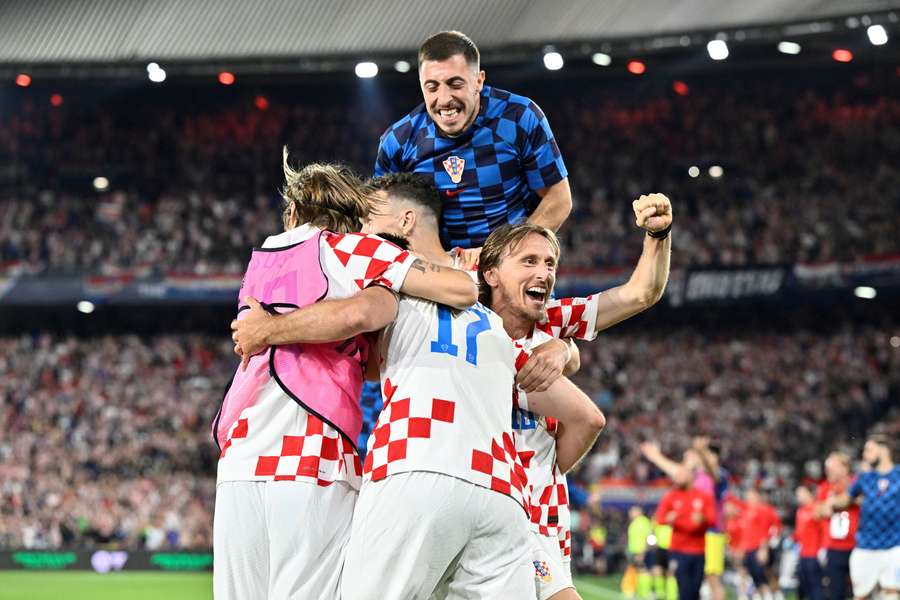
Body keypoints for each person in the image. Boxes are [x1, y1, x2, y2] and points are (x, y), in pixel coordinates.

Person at [215, 151, 477, 600]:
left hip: (239, 462)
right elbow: (461, 289)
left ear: (292, 211)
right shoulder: (351, 248)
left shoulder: (259, 263)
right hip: (313, 462)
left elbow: (262, 335)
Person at [375, 30, 572, 255]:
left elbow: (558, 199)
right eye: (432, 87)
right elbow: (382, 219)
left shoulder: (519, 117)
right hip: (440, 273)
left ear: (479, 81)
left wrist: (503, 255)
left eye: (455, 84)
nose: (444, 98)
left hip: (511, 266)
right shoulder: (398, 141)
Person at [829, 434, 900, 600]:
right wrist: (831, 503)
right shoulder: (864, 478)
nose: (864, 455)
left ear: (883, 450)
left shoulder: (898, 474)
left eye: (869, 449)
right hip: (865, 547)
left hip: (894, 547)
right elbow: (846, 498)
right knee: (861, 595)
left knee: (891, 594)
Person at [655, 460, 717, 600]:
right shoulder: (671, 496)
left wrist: (702, 520)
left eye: (681, 474)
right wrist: (668, 519)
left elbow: (712, 520)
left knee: (695, 589)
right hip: (678, 550)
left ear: (691, 476)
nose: (677, 477)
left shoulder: (703, 497)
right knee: (684, 588)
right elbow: (660, 519)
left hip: (699, 551)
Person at [815, 452, 859, 600]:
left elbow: (859, 500)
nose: (827, 470)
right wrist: (832, 503)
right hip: (834, 546)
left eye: (831, 467)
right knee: (836, 592)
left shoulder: (856, 482)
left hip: (857, 545)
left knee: (860, 591)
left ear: (844, 468)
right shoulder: (825, 487)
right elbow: (819, 512)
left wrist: (833, 502)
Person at [737, 489, 783, 600]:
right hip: (749, 549)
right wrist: (742, 548)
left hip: (759, 549)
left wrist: (764, 548)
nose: (749, 499)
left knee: (766, 575)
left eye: (751, 496)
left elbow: (768, 529)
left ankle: (776, 595)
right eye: (747, 496)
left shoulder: (763, 510)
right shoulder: (746, 512)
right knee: (755, 577)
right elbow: (745, 533)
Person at [794, 485, 825, 600]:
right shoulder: (800, 511)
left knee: (815, 587)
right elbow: (798, 533)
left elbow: (823, 530)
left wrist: (823, 550)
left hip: (814, 554)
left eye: (801, 493)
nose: (799, 497)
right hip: (803, 554)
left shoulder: (817, 508)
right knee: (803, 586)